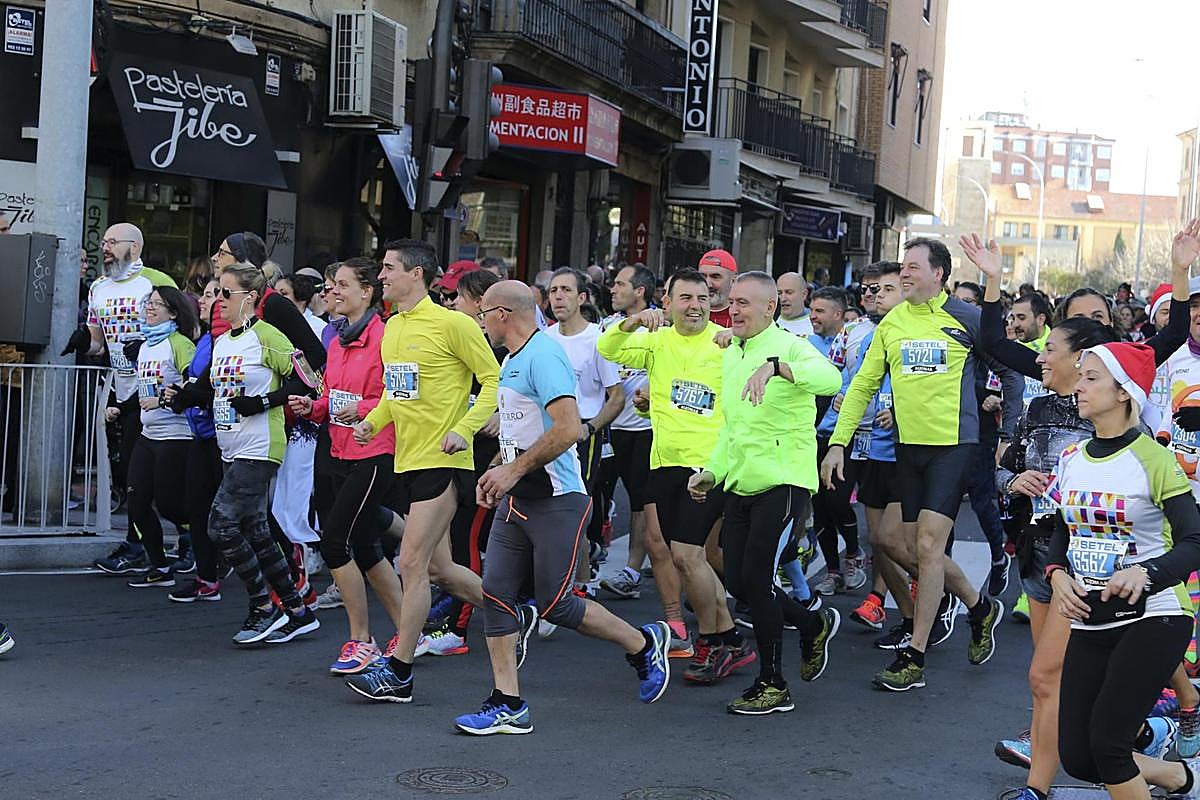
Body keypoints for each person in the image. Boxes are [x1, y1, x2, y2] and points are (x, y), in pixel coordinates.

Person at [963, 229, 1194, 800]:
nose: (1042, 355)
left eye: (1095, 321)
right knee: (1062, 701)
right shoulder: (1051, 413)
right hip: (1056, 561)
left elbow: (1167, 337)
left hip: (1130, 579)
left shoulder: (1131, 424)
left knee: (1060, 690)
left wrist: (1180, 272)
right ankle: (1157, 756)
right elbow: (994, 347)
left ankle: (1046, 783)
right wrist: (992, 280)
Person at [453, 280, 670, 735]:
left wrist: (512, 472)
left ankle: (642, 643)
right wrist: (497, 472)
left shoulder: (544, 355)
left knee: (556, 604)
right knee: (496, 594)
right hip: (518, 499)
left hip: (557, 499)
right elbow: (522, 429)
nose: (479, 322)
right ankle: (507, 702)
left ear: (502, 314)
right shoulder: (513, 358)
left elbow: (569, 427)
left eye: (483, 313)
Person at [820, 238, 1004, 692]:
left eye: (913, 266)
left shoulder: (965, 317)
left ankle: (914, 656)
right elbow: (862, 385)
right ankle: (978, 606)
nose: (904, 273)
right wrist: (838, 443)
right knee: (892, 542)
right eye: (902, 266)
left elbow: (1008, 366)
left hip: (954, 446)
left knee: (927, 545)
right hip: (907, 448)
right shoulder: (893, 322)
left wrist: (1009, 432)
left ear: (938, 273)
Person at [345, 239, 496, 704]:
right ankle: (513, 614)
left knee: (410, 564)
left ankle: (399, 671)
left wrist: (464, 429)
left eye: (389, 268)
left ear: (417, 274)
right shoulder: (393, 327)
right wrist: (372, 423)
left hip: (443, 460)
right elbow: (397, 394)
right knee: (442, 569)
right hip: (406, 460)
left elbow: (493, 380)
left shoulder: (453, 323)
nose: (381, 276)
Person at [1047, 341, 1200, 800]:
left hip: (1155, 615)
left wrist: (1146, 573)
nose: (1079, 386)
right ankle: (1177, 777)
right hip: (1091, 617)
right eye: (1081, 376)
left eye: (1092, 377)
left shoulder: (1154, 459)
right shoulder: (1072, 457)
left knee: (1109, 748)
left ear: (1124, 392)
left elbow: (1194, 540)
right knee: (1079, 757)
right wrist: (1057, 575)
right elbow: (1062, 531)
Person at [688, 271, 843, 715]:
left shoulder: (791, 347)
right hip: (741, 482)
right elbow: (732, 430)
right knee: (738, 582)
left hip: (784, 481)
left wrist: (776, 367)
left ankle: (773, 683)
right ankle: (812, 625)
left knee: (757, 581)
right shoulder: (734, 355)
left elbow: (830, 380)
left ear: (770, 307)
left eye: (743, 303)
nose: (733, 309)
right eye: (732, 302)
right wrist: (711, 473)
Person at [599, 268, 755, 686]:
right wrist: (634, 321)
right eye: (685, 298)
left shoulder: (725, 343)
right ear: (666, 303)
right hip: (664, 463)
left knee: (687, 556)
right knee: (688, 559)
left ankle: (712, 641)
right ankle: (730, 640)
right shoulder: (657, 341)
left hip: (708, 468)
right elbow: (608, 347)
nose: (695, 306)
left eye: (702, 298)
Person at [290, 257, 407, 674]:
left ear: (366, 292)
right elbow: (333, 395)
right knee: (366, 544)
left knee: (336, 542)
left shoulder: (386, 337)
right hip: (336, 449)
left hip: (373, 450)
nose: (332, 291)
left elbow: (398, 398)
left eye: (341, 284)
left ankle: (361, 640)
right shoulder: (337, 338)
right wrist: (313, 407)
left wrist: (363, 409)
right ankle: (407, 630)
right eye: (330, 285)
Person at [207, 262, 320, 644]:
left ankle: (263, 606)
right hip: (231, 444)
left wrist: (264, 401)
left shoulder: (267, 336)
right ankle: (298, 610)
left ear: (250, 297)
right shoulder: (224, 341)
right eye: (217, 292)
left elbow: (308, 379)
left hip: (260, 445)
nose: (219, 300)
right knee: (254, 529)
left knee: (220, 525)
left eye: (227, 293)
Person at [74, 223, 178, 574]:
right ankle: (147, 545)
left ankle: (166, 543)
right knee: (129, 473)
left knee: (148, 477)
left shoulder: (155, 281)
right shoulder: (98, 287)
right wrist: (84, 343)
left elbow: (182, 329)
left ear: (134, 247)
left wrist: (147, 346)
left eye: (112, 242)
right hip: (119, 387)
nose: (105, 247)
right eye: (103, 241)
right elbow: (97, 342)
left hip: (154, 390)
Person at [544, 268, 624, 590]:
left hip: (581, 437)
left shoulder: (598, 340)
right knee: (548, 510)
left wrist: (590, 428)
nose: (558, 297)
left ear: (581, 298)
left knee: (572, 510)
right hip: (546, 434)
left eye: (565, 290)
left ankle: (580, 583)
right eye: (553, 291)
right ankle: (560, 580)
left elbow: (616, 397)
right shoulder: (544, 338)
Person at [124, 287, 199, 589]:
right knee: (136, 500)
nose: (151, 308)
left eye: (158, 304)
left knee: (169, 505)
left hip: (176, 435)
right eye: (149, 303)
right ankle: (160, 567)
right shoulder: (145, 346)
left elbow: (193, 387)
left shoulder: (179, 344)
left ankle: (205, 537)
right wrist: (120, 407)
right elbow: (144, 391)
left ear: (174, 312)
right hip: (148, 435)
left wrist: (164, 401)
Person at [164, 279, 227, 602]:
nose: (203, 300)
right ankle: (207, 578)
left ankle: (283, 584)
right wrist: (181, 394)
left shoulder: (229, 341)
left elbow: (217, 386)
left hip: (225, 437)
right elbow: (197, 382)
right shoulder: (203, 339)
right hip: (200, 435)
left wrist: (189, 396)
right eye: (203, 294)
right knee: (197, 507)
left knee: (240, 515)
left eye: (212, 295)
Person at [698, 249, 736, 328]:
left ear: (733, 281)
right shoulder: (686, 314)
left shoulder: (742, 318)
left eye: (715, 277)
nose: (708, 284)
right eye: (702, 276)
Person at [776, 272, 812, 337]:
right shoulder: (769, 322)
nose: (783, 299)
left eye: (789, 292)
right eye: (779, 293)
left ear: (804, 294)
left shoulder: (817, 323)